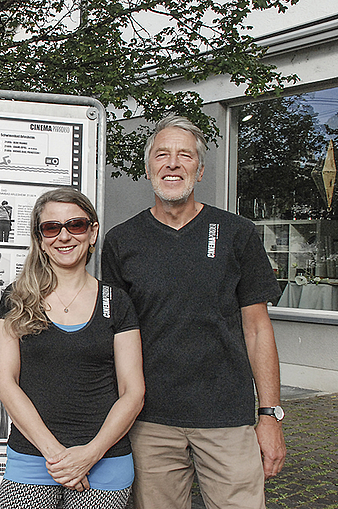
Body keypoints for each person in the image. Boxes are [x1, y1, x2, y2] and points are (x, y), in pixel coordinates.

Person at [101, 114, 286, 509]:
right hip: (149, 421)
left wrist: (269, 414)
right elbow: (115, 337)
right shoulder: (120, 242)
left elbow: (257, 329)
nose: (172, 163)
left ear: (199, 170)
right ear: (148, 167)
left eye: (185, 156)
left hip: (227, 418)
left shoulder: (237, 233)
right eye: (162, 155)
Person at [0, 187, 144, 509]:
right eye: (52, 227)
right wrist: (58, 457)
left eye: (75, 225)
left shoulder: (116, 302)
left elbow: (133, 392)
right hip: (33, 460)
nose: (64, 236)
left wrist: (90, 454)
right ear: (40, 238)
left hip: (105, 463)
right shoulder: (16, 298)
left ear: (92, 233)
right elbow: (5, 383)